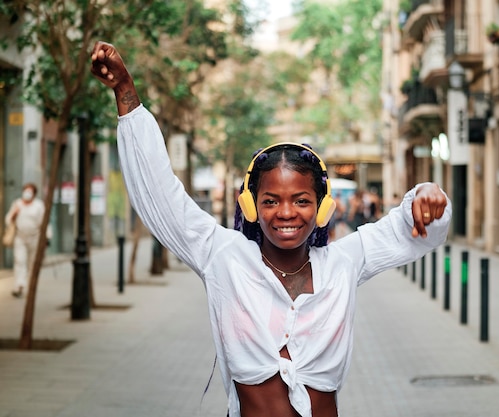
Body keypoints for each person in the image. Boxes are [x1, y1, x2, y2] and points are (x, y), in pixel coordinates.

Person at [91, 41, 452, 417]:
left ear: (323, 207)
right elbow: (161, 196)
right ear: (249, 205)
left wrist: (427, 197)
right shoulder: (224, 258)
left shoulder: (343, 263)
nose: (285, 213)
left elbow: (407, 229)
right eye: (270, 200)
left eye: (301, 200)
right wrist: (125, 93)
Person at [4, 182, 46, 298]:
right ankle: (19, 286)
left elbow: (44, 222)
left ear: (34, 193)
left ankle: (32, 287)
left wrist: (46, 238)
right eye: (26, 190)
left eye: (30, 191)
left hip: (35, 237)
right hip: (20, 237)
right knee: (19, 261)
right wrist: (14, 214)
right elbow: (8, 220)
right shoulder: (17, 204)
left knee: (32, 263)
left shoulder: (39, 205)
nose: (27, 193)